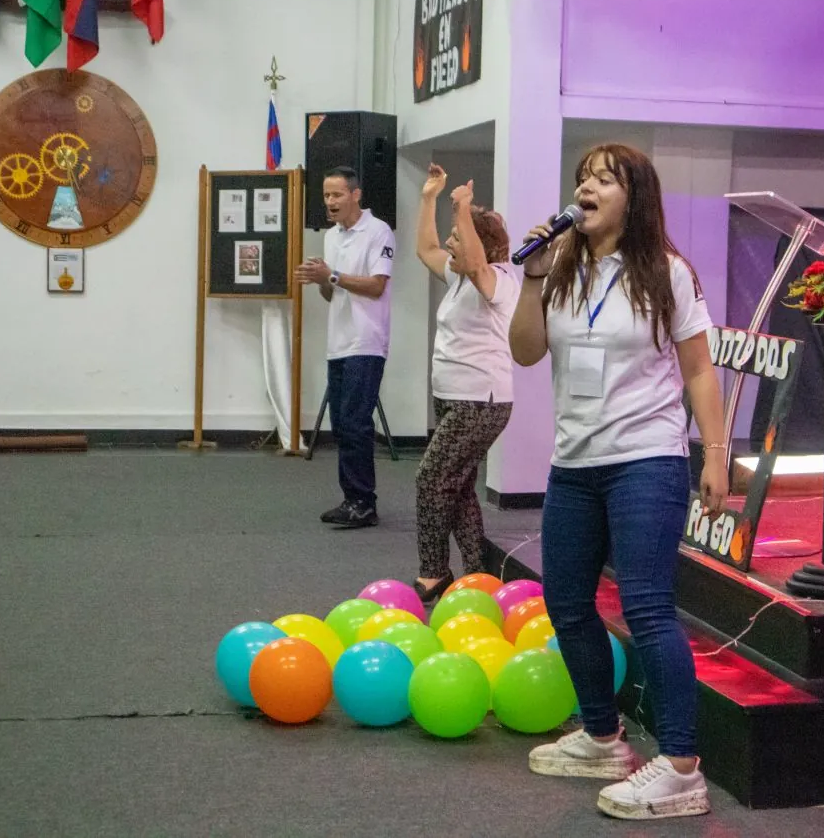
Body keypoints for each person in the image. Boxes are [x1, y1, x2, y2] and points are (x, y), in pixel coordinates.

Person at [508, 143, 729, 821]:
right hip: (574, 464)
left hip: (647, 459)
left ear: (634, 198)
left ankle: (683, 765)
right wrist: (532, 277)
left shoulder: (669, 273)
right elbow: (524, 350)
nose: (587, 187)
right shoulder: (564, 268)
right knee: (567, 601)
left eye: (604, 179)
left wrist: (715, 453)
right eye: (582, 177)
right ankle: (603, 736)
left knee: (647, 607)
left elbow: (697, 368)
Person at [411, 163, 518, 602]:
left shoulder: (498, 280)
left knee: (430, 478)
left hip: (481, 401)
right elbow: (425, 248)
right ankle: (480, 574)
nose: (451, 244)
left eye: (459, 236)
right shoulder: (458, 274)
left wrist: (463, 208)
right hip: (453, 397)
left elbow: (473, 258)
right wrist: (430, 198)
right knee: (457, 488)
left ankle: (434, 573)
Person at [295, 166, 394, 529]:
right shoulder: (332, 237)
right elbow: (332, 292)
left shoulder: (378, 230)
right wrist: (320, 279)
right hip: (338, 341)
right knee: (341, 424)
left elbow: (376, 286)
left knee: (355, 423)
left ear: (356, 195)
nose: (330, 202)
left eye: (337, 194)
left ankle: (364, 503)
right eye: (326, 195)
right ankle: (351, 498)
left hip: (366, 341)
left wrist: (331, 275)